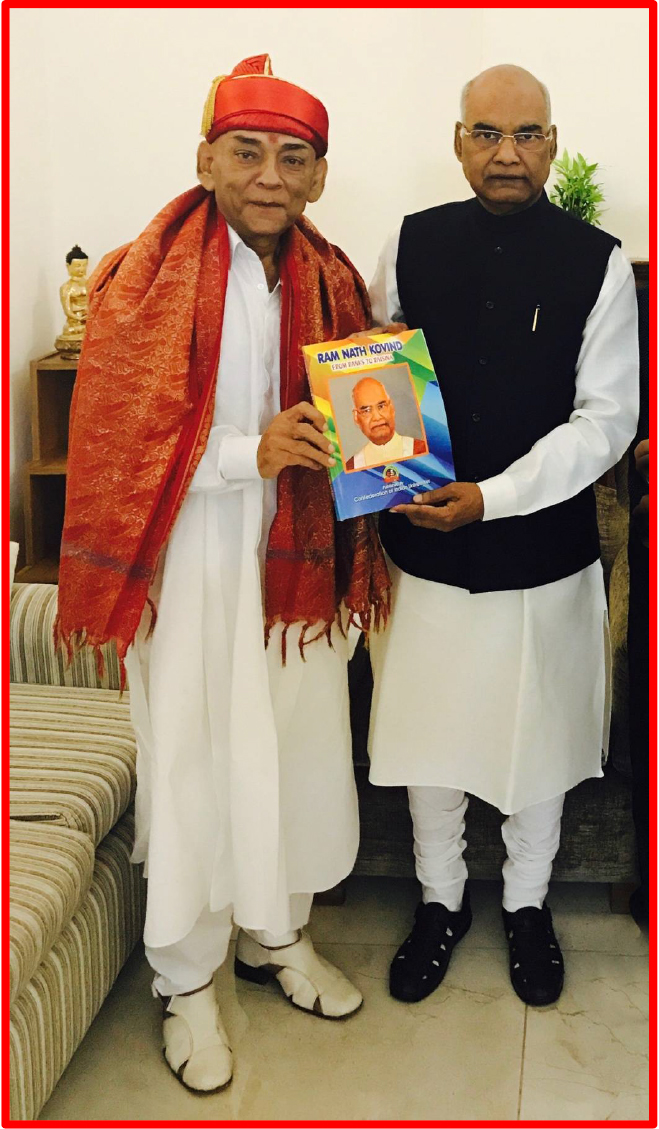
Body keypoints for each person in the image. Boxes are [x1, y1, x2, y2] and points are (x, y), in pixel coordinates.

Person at [56, 54, 390, 1093]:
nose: (269, 176)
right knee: (198, 762)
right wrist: (251, 452)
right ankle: (187, 978)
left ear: (319, 175)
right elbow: (118, 440)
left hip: (299, 573)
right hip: (194, 560)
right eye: (247, 152)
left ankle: (274, 935)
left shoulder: (336, 281)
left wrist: (388, 458)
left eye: (293, 157)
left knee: (293, 750)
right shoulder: (135, 278)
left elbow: (372, 427)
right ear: (205, 161)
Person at [367, 64, 638, 1007]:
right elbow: (375, 369)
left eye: (525, 134)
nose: (507, 153)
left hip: (542, 550)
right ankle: (439, 901)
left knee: (539, 741)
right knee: (429, 739)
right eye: (486, 133)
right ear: (458, 142)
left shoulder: (598, 261)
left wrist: (496, 496)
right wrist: (388, 468)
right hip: (424, 545)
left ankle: (526, 904)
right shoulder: (408, 242)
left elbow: (606, 420)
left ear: (552, 143)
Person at [345, 376, 426, 470]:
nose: (377, 417)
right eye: (366, 410)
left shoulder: (423, 450)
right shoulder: (352, 467)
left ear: (392, 408)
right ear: (356, 417)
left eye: (381, 406)